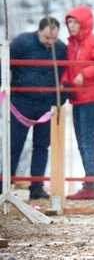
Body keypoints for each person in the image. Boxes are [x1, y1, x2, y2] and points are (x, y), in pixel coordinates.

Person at [0, 17, 66, 199]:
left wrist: (61, 96)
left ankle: (37, 186)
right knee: (14, 144)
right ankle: (5, 182)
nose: (50, 42)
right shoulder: (22, 42)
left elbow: (63, 73)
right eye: (46, 38)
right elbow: (5, 65)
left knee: (41, 146)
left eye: (53, 38)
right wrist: (3, 87)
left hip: (46, 104)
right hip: (21, 102)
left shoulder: (60, 49)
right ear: (39, 31)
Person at [61, 6, 94, 200]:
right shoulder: (71, 45)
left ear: (84, 23)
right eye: (69, 22)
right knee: (82, 142)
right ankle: (89, 184)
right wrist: (65, 80)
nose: (71, 26)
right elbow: (68, 67)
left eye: (75, 22)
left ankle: (91, 185)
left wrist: (84, 74)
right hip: (78, 97)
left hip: (92, 97)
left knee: (87, 141)